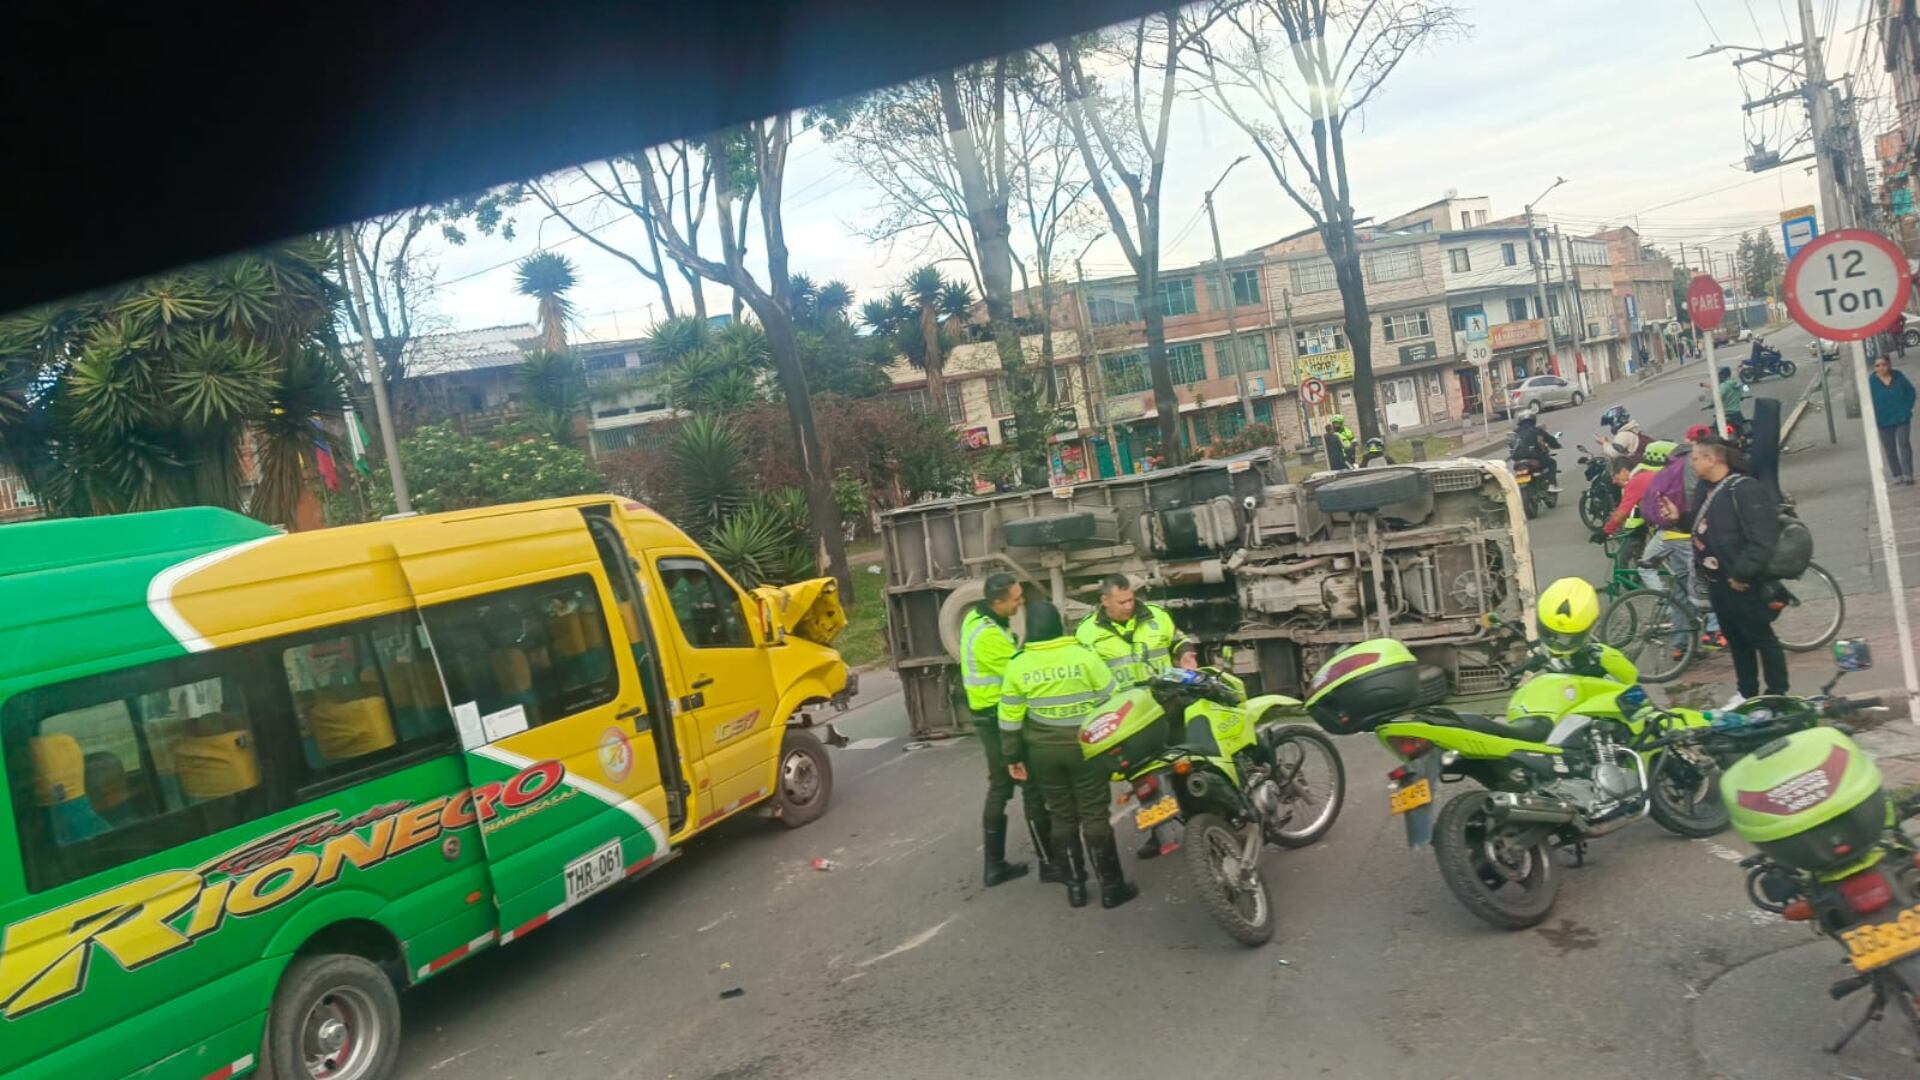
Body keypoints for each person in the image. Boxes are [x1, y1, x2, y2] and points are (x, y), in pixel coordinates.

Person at [999, 600, 1137, 910]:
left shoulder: (1018, 664)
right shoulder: (1083, 656)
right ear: (1059, 626)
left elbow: (1009, 718)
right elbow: (1111, 699)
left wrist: (1013, 758)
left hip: (1043, 754)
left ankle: (1075, 886)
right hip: (1085, 749)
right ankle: (1112, 888)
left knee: (1061, 815)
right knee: (1094, 814)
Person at [959, 572, 1057, 888]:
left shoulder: (977, 619)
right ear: (997, 602)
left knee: (1002, 786)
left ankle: (996, 865)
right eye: (1016, 599)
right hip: (997, 719)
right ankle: (1045, 863)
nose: (1021, 601)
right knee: (1025, 785)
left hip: (990, 717)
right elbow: (1020, 672)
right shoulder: (988, 637)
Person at [1076, 574, 1180, 858]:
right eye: (1121, 602)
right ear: (1104, 601)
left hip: (1167, 703)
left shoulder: (1157, 616)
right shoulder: (1086, 633)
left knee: (1183, 761)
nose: (1127, 606)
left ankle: (1201, 819)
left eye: (1131, 599)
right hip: (1128, 717)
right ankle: (1159, 832)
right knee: (1141, 775)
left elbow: (1179, 641)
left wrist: (1187, 654)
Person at [1690, 438, 1788, 706]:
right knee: (1736, 639)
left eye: (1696, 458)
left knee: (1761, 637)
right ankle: (1747, 692)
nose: (1692, 463)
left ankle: (1778, 692)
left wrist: (1741, 574)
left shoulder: (1744, 489)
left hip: (1743, 583)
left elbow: (1763, 539)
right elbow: (1700, 524)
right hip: (1718, 582)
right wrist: (1678, 516)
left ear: (1712, 459)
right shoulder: (1706, 490)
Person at [1532, 577, 1639, 683]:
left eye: (1568, 639)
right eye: (1548, 634)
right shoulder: (1607, 656)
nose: (1557, 643)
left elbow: (1632, 685)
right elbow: (1633, 682)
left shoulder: (1605, 657)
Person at [1869, 354, 1916, 486]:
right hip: (1883, 420)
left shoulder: (1898, 376)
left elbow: (1910, 391)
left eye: (1883, 364)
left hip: (1902, 418)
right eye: (1877, 366)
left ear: (1888, 365)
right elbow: (1867, 401)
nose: (1881, 368)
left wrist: (1908, 407)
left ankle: (1908, 474)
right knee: (1890, 449)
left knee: (1904, 444)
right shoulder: (1871, 381)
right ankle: (1897, 475)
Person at [1509, 414, 1562, 491]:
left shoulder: (1515, 433)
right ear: (1533, 420)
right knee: (1552, 463)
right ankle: (1552, 485)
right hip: (1533, 457)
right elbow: (1550, 440)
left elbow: (1511, 445)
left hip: (1517, 459)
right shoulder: (1537, 430)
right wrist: (1557, 445)